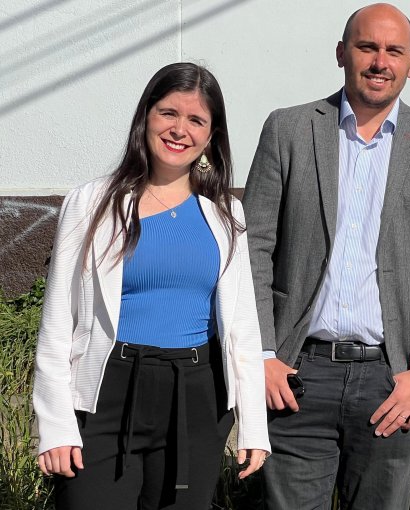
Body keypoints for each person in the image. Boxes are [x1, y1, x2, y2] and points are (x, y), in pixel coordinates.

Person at [241, 4, 410, 509]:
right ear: (342, 52)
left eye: (394, 51)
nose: (379, 61)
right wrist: (261, 354)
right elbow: (253, 250)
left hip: (391, 380)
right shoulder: (289, 129)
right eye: (368, 47)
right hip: (297, 375)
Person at [32, 62, 270, 509]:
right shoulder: (92, 203)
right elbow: (58, 321)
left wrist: (253, 423)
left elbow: (242, 328)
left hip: (197, 397)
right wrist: (56, 424)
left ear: (211, 135)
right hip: (108, 394)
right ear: (146, 116)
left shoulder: (226, 216)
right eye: (168, 113)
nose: (180, 129)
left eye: (196, 120)